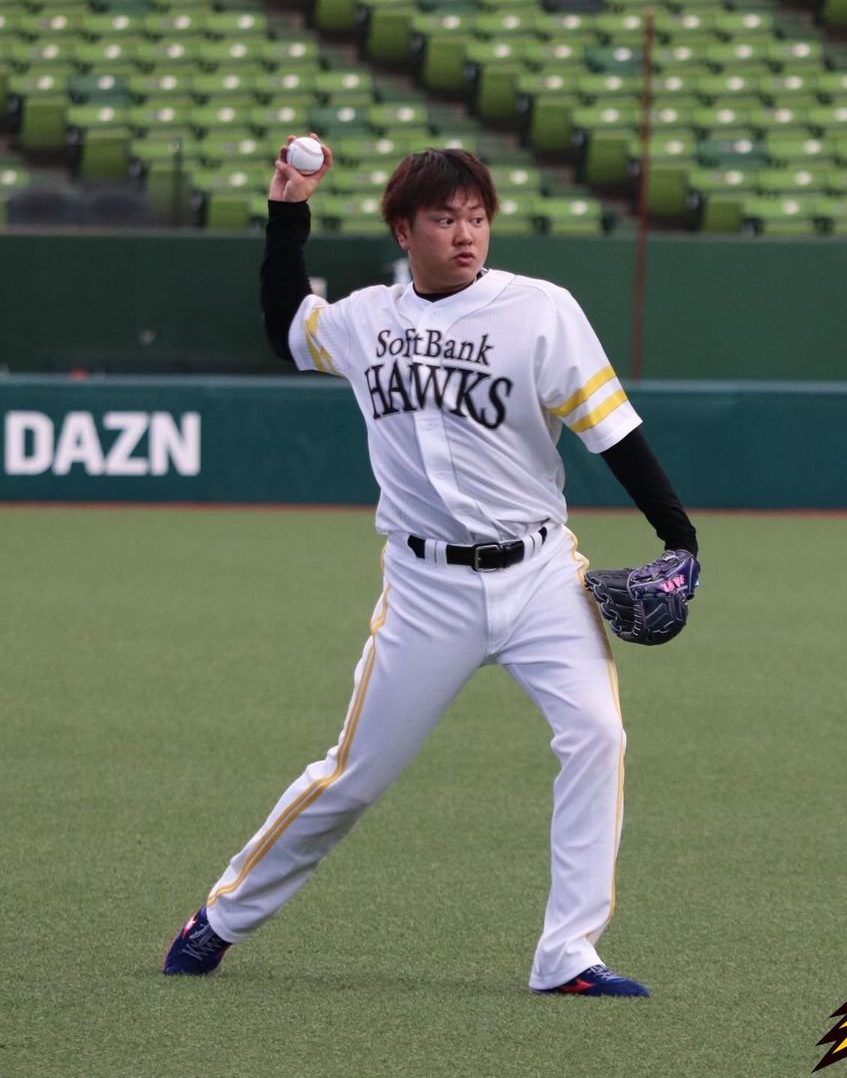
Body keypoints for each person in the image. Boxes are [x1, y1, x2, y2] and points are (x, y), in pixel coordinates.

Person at [163, 138, 699, 996]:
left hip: (541, 574)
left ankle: (568, 954)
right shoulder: (364, 319)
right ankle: (221, 918)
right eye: (445, 219)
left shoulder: (540, 310)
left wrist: (681, 539)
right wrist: (287, 211)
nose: (465, 234)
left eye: (477, 218)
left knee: (598, 735)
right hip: (425, 590)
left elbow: (613, 430)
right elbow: (286, 328)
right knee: (353, 776)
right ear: (403, 230)